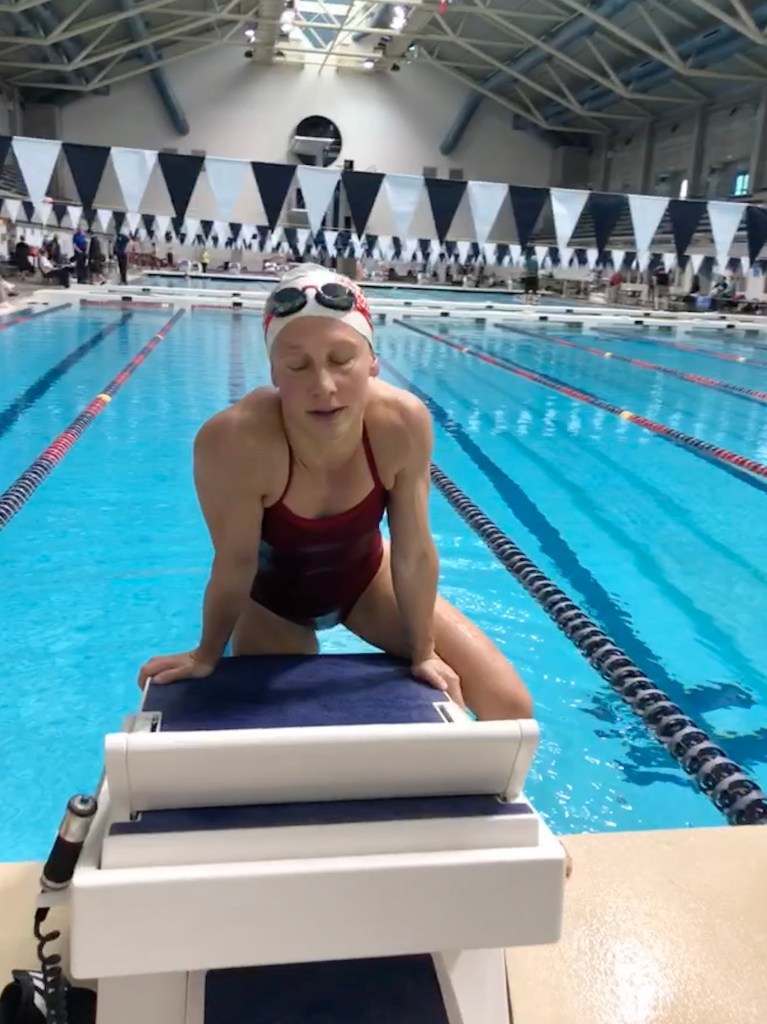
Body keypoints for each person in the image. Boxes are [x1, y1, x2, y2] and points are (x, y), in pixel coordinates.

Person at [138, 265, 532, 721]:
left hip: (366, 583)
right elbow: (235, 564)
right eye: (298, 365)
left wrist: (424, 651)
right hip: (271, 603)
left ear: (373, 362)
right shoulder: (235, 441)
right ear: (274, 372)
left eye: (342, 359)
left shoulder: (401, 423)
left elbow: (415, 551)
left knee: (509, 705)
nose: (323, 386)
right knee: (285, 734)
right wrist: (206, 653)